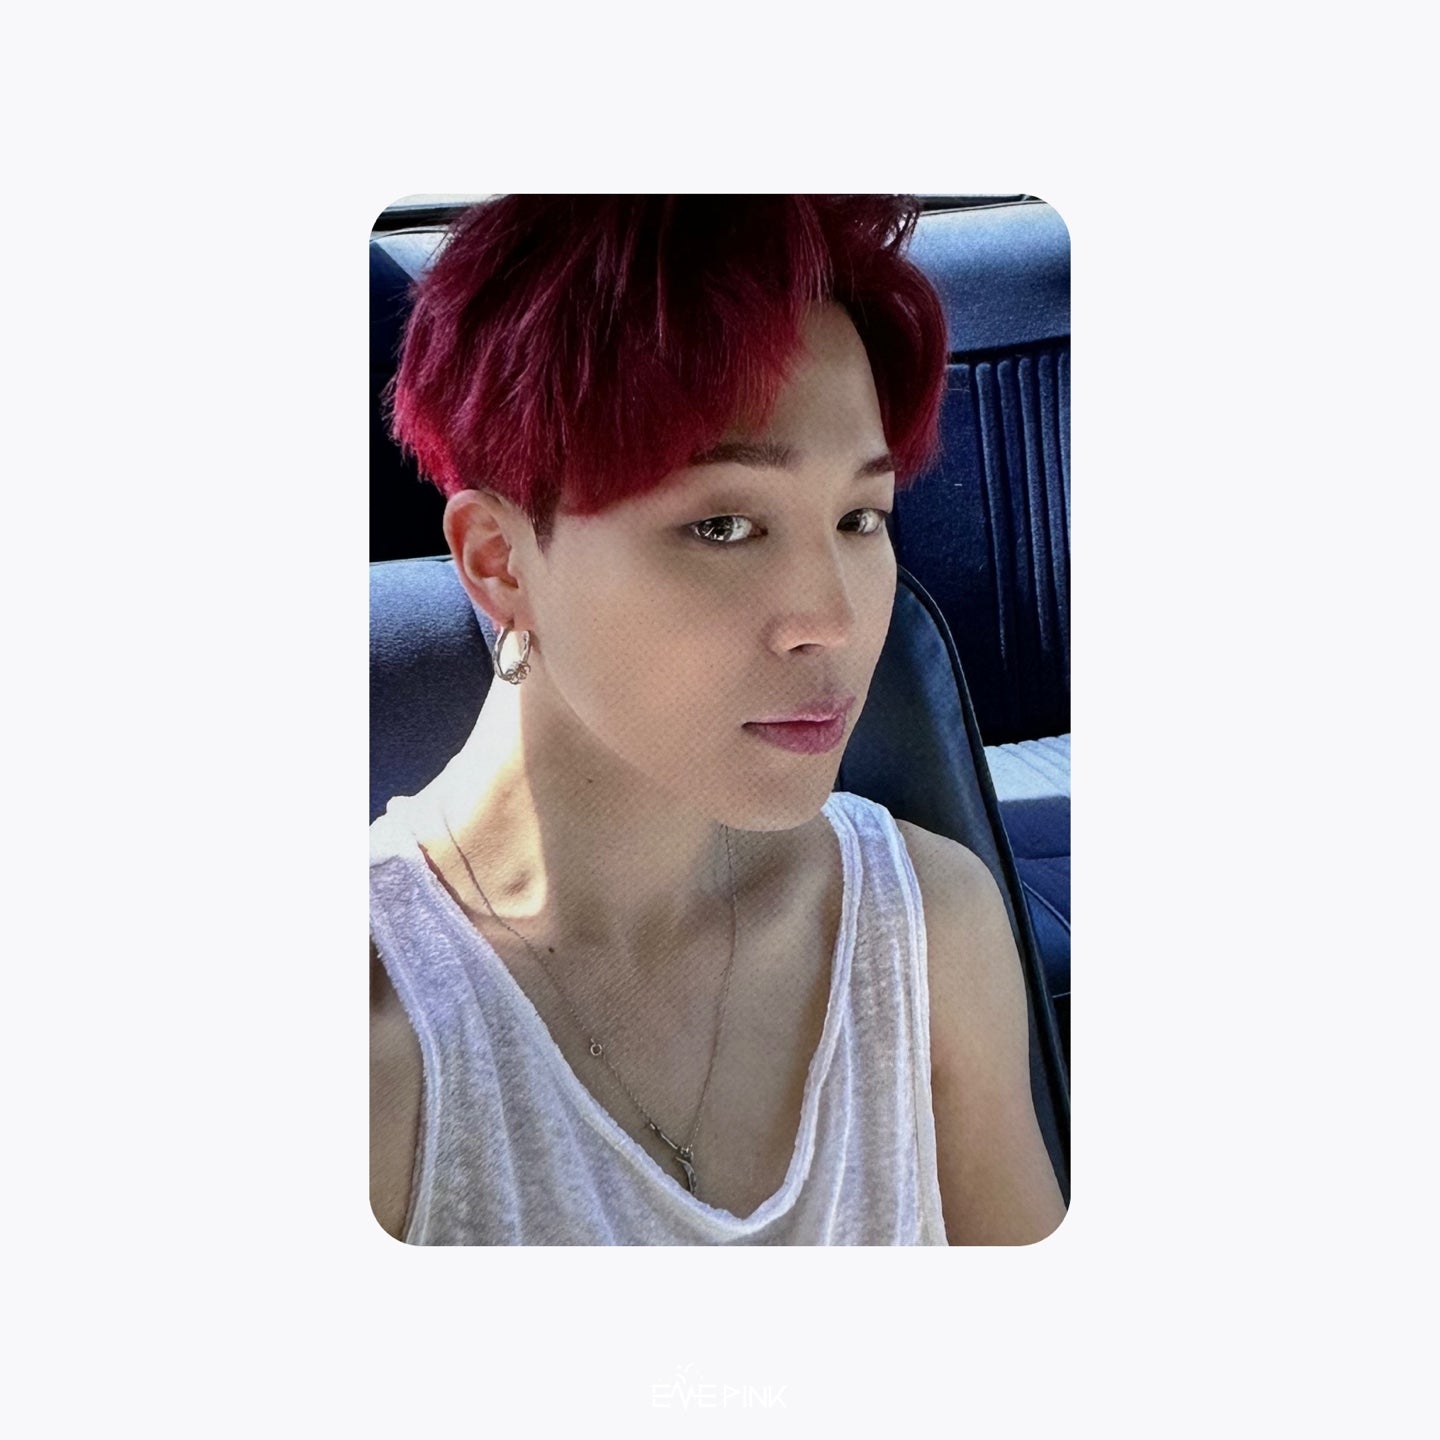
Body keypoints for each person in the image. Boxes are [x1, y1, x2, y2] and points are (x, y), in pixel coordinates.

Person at [369, 195, 1066, 1245]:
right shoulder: (382, 1048)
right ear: (500, 563)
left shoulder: (926, 929)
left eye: (860, 517)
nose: (833, 620)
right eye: (724, 525)